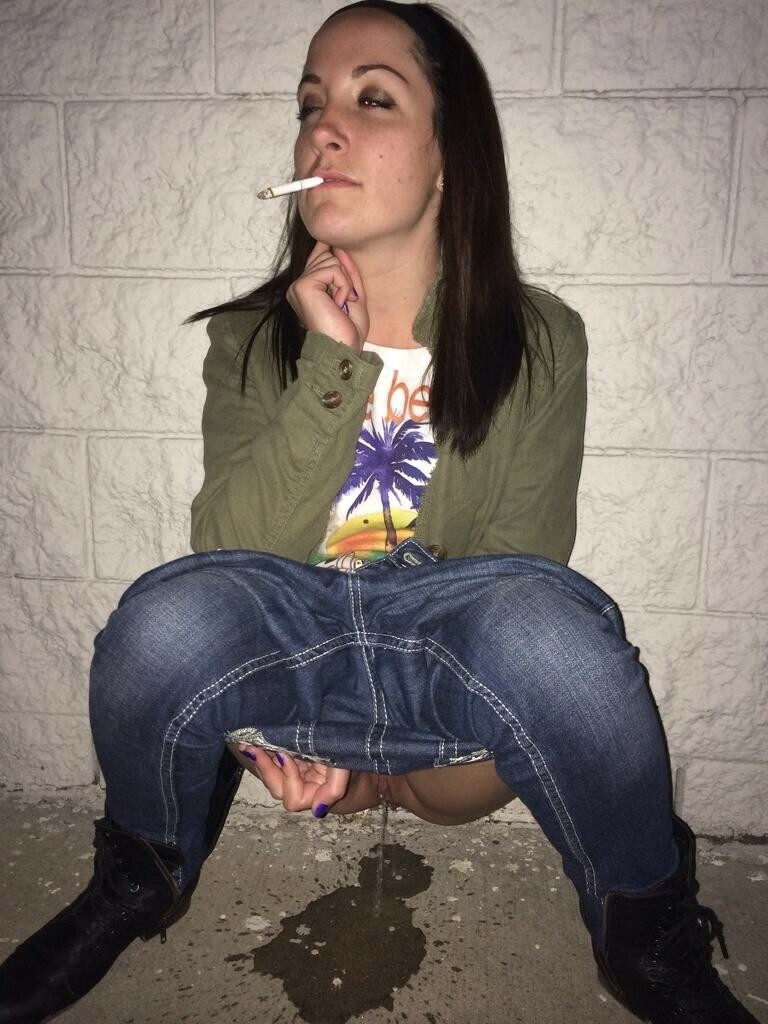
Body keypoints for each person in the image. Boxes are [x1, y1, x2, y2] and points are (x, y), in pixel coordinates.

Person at [0, 3, 757, 1023]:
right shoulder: (249, 339)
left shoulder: (540, 341)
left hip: (442, 668)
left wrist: (381, 763)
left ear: (450, 157)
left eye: (372, 100)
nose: (324, 128)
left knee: (563, 642)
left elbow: (519, 579)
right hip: (290, 650)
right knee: (160, 622)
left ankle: (646, 936)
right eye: (310, 104)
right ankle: (137, 875)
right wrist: (333, 362)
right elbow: (228, 559)